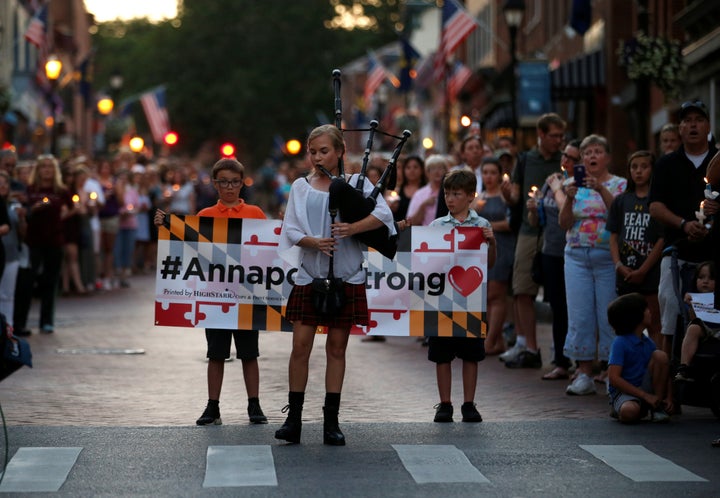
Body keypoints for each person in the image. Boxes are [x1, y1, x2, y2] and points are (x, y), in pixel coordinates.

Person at [276, 124, 396, 445]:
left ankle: (331, 422)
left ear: (340, 152)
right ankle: (294, 420)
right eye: (313, 151)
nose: (317, 157)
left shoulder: (357, 183)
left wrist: (351, 228)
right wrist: (313, 242)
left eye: (324, 151)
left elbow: (384, 217)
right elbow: (289, 230)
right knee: (300, 346)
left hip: (346, 275)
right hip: (310, 276)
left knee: (336, 349)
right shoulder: (300, 187)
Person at [154, 158, 269, 426]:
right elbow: (186, 243)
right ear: (215, 184)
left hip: (246, 296)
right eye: (224, 182)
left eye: (235, 182)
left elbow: (268, 249)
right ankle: (212, 406)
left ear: (242, 183)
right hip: (214, 296)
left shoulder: (255, 214)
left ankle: (254, 404)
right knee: (215, 353)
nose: (230, 187)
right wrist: (167, 224)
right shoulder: (205, 216)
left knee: (249, 353)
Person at [649, 100, 718, 358]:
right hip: (676, 252)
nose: (692, 125)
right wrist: (683, 223)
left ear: (708, 125)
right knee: (669, 315)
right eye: (687, 120)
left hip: (713, 255)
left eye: (698, 120)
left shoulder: (718, 160)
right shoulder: (667, 164)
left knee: (713, 318)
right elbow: (655, 207)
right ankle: (668, 385)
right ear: (680, 128)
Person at [560, 134, 627, 395]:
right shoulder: (570, 184)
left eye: (597, 152)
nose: (592, 157)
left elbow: (619, 215)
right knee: (580, 314)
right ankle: (584, 373)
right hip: (576, 255)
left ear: (607, 157)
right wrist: (568, 198)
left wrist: (600, 188)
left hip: (607, 257)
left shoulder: (619, 185)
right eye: (587, 153)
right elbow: (564, 224)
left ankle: (613, 374)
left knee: (608, 315)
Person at [428, 168, 496, 423]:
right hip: (442, 299)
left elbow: (489, 264)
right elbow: (428, 263)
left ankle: (469, 403)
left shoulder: (482, 226)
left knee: (471, 354)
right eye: (447, 193)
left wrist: (493, 243)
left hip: (471, 301)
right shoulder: (436, 226)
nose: (450, 199)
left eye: (456, 194)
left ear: (470, 196)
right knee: (441, 355)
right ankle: (445, 403)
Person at [500, 113, 567, 368]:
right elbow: (515, 196)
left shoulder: (564, 160)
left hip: (557, 233)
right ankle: (529, 347)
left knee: (560, 295)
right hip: (529, 232)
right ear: (541, 134)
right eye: (554, 136)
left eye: (561, 136)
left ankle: (565, 351)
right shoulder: (526, 160)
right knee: (522, 289)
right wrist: (507, 195)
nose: (559, 141)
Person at [530, 140, 581, 380]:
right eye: (564, 156)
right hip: (550, 251)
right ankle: (561, 361)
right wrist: (532, 208)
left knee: (577, 308)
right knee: (558, 307)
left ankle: (585, 362)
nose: (565, 161)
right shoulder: (552, 181)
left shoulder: (580, 185)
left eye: (572, 158)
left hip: (573, 252)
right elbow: (537, 221)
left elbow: (566, 214)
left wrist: (558, 188)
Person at [607, 151, 664, 347]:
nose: (638, 171)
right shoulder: (621, 201)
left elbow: (661, 240)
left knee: (655, 324)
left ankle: (657, 373)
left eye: (644, 166)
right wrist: (618, 265)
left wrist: (644, 270)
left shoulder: (657, 202)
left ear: (653, 170)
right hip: (625, 274)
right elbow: (613, 236)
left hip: (649, 275)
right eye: (634, 167)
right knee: (625, 325)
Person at [26, 154, 73, 334]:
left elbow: (70, 209)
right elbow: (25, 212)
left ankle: (47, 321)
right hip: (34, 240)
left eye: (50, 166)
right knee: (29, 280)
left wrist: (66, 215)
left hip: (54, 239)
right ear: (38, 170)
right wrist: (34, 209)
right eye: (43, 166)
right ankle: (22, 320)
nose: (47, 169)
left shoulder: (61, 190)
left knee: (50, 281)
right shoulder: (31, 189)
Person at [607, 293, 672, 423]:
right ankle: (622, 408)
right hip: (625, 392)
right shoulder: (620, 342)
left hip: (645, 389)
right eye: (646, 309)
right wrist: (644, 396)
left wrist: (669, 397)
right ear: (635, 316)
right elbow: (613, 378)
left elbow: (665, 368)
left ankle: (657, 407)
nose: (650, 312)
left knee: (660, 355)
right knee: (629, 412)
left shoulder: (648, 342)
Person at [475, 158, 514, 355]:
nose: (489, 177)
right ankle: (498, 342)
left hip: (503, 246)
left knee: (496, 294)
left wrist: (488, 226)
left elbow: (510, 223)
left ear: (500, 175)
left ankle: (489, 341)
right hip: (484, 250)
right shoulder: (479, 197)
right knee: (486, 297)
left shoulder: (505, 196)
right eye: (485, 172)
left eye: (492, 172)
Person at [675, 261, 717, 381]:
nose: (705, 281)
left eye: (711, 278)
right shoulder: (693, 297)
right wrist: (691, 305)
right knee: (693, 328)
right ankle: (684, 368)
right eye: (701, 277)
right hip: (705, 328)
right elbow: (693, 320)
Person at [406, 155, 449, 227]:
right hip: (425, 234)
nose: (437, 172)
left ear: (446, 171)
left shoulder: (451, 192)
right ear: (427, 173)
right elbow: (410, 222)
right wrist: (423, 205)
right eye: (433, 168)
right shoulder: (420, 194)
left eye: (440, 168)